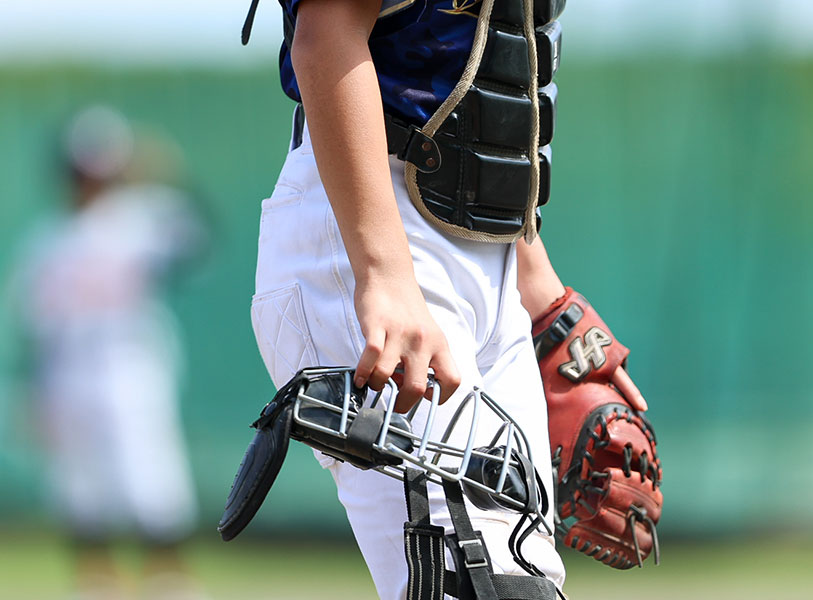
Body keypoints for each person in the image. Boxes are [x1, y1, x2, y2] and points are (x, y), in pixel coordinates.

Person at [244, 0, 653, 597]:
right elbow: (327, 32)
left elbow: (496, 72)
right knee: (479, 586)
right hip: (378, 234)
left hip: (484, 258)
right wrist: (383, 272)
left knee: (518, 582)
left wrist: (539, 298)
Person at [14, 106, 206, 600]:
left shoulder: (140, 218)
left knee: (147, 467)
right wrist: (32, 389)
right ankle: (95, 581)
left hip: (129, 360)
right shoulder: (48, 239)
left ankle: (168, 578)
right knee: (77, 478)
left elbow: (197, 236)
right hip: (68, 366)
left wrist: (162, 173)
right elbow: (36, 324)